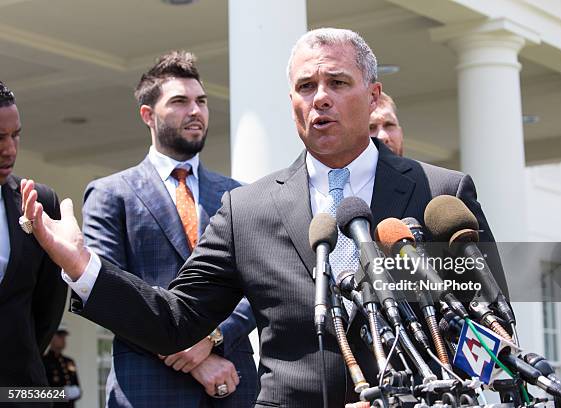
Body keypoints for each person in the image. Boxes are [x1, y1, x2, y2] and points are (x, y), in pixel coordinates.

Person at [21, 28, 508, 408]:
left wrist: (431, 395)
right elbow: (176, 319)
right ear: (292, 101)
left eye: (338, 83)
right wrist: (83, 265)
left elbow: (494, 329)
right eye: (306, 86)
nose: (320, 97)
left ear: (374, 96)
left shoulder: (440, 195)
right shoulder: (246, 210)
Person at [81, 51, 257, 407]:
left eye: (201, 101)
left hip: (233, 384)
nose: (195, 111)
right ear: (148, 115)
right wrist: (193, 356)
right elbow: (108, 292)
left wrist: (213, 338)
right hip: (148, 388)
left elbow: (261, 282)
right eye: (180, 102)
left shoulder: (238, 195)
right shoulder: (110, 194)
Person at [0, 80, 66, 396]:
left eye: (15, 136)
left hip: (21, 392)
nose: (9, 149)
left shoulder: (40, 202)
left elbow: (49, 307)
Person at [42, 326, 81, 408]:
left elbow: (77, 386)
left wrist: (76, 392)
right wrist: (61, 393)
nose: (63, 339)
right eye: (60, 336)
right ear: (51, 337)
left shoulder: (69, 361)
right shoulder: (43, 361)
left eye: (64, 336)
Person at [368, 91, 404, 156]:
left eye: (389, 125)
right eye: (371, 127)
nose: (382, 137)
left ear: (400, 134)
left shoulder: (420, 166)